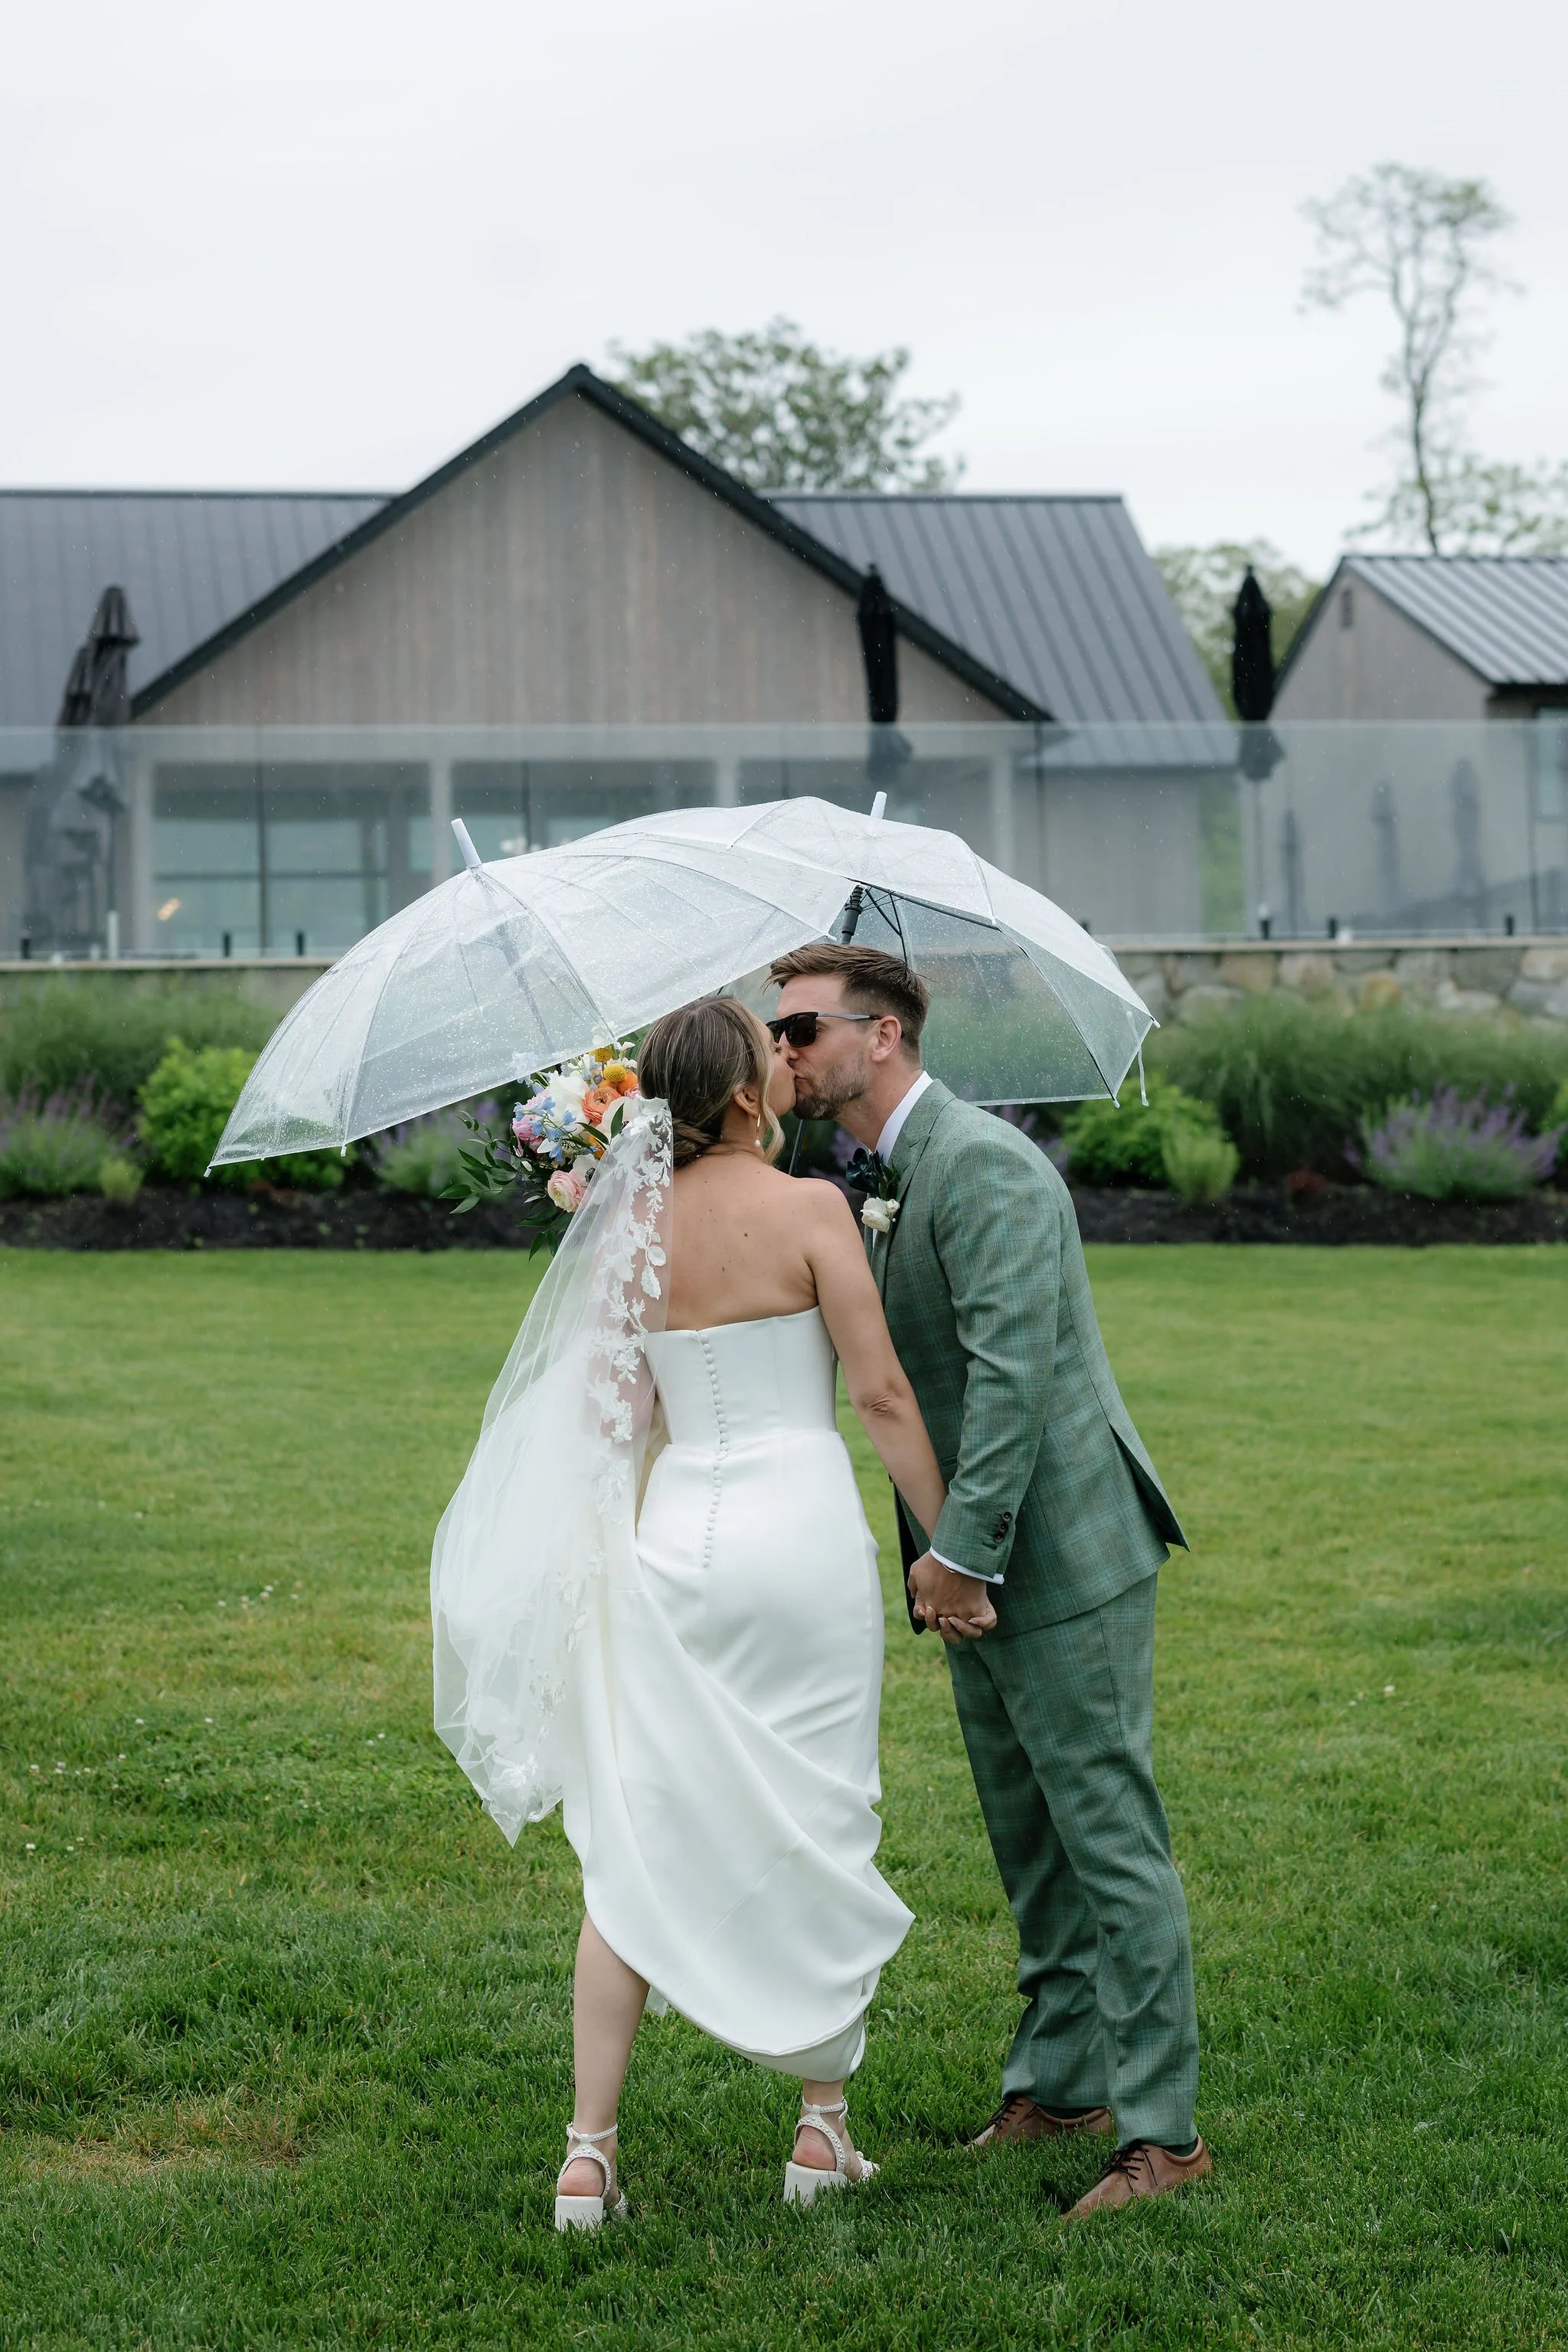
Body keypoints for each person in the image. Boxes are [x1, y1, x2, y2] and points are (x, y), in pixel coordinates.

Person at [430, 997, 948, 2230]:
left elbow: (617, 1426)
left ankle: (586, 2155)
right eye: (771, 1061)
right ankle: (821, 2135)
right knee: (824, 1808)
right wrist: (952, 1550)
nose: (788, 1068)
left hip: (676, 1547)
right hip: (804, 1541)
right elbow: (878, 1395)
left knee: (639, 1843)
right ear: (739, 1099)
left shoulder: (630, 1234)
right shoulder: (815, 1210)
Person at [768, 942, 1210, 2216]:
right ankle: (1058, 2086)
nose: (785, 1050)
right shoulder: (860, 1173)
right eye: (778, 1032)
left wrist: (958, 1555)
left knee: (1108, 1838)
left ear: (884, 1037)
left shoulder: (989, 1169)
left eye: (801, 1030)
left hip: (1057, 1556)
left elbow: (1013, 1381)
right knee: (1032, 1842)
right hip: (963, 1561)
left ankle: (1166, 2136)